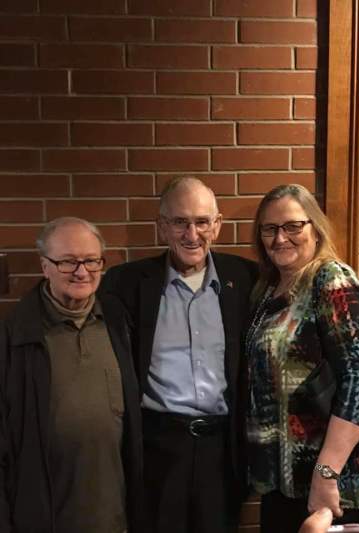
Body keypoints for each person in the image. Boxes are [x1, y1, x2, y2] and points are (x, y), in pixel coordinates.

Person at [101, 176, 258, 533]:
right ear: (161, 227)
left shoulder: (246, 278)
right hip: (159, 447)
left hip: (222, 450)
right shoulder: (124, 284)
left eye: (202, 222)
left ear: (217, 226)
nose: (192, 234)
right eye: (180, 222)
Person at [245, 184, 359, 533]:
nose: (281, 238)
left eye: (293, 226)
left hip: (335, 482)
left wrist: (326, 475)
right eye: (270, 228)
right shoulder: (268, 289)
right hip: (285, 482)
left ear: (315, 227)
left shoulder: (331, 279)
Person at [0, 217, 143, 533]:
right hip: (45, 519)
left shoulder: (119, 323)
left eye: (91, 261)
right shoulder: (16, 336)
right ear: (44, 266)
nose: (82, 272)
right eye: (67, 262)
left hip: (114, 517)